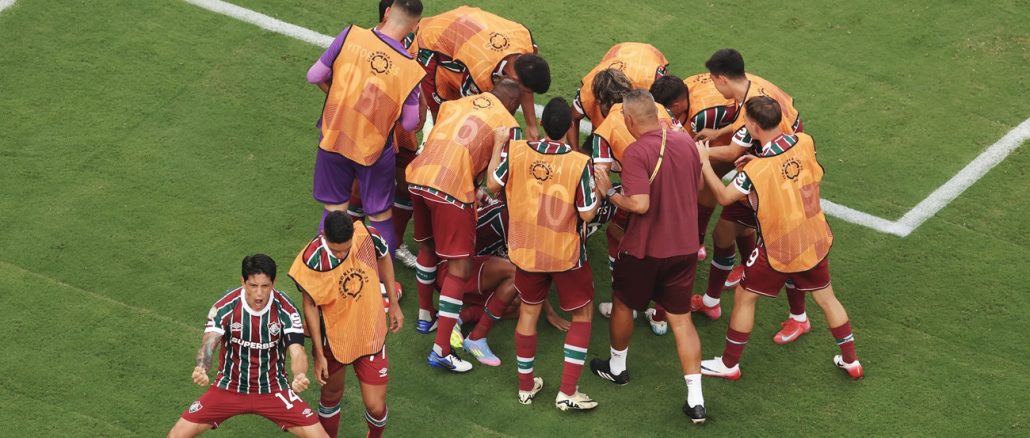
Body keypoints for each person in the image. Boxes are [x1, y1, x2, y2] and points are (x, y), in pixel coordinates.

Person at [696, 96, 864, 381]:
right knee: (827, 299)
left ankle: (729, 364)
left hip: (781, 247)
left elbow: (725, 197)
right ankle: (851, 362)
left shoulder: (757, 170)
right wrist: (758, 162)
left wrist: (704, 163)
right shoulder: (804, 141)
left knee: (744, 297)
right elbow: (790, 169)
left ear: (753, 125)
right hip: (815, 235)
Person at [589, 90, 708, 424]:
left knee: (624, 303)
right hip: (684, 248)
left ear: (628, 120)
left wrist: (610, 192)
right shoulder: (684, 142)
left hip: (644, 249)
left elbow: (639, 204)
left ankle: (617, 368)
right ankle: (696, 401)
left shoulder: (637, 151)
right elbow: (695, 186)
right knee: (681, 320)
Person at [486, 97, 599, 411]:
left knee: (528, 313)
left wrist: (498, 145)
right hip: (565, 254)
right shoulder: (579, 162)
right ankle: (567, 392)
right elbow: (588, 214)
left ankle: (525, 387)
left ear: (544, 124)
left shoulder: (518, 151)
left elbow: (492, 186)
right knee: (582, 315)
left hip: (526, 250)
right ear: (567, 129)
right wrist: (600, 189)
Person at [405, 79, 523, 373]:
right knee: (459, 267)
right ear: (514, 106)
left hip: (419, 177)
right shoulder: (507, 125)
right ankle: (441, 350)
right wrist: (497, 145)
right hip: (451, 191)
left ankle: (425, 315)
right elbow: (495, 183)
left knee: (428, 246)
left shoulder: (455, 104)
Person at [692, 50, 810, 342]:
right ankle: (711, 302)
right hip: (766, 170)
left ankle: (800, 318)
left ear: (720, 78)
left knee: (785, 253)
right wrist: (719, 130)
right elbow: (743, 127)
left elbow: (733, 151)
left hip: (776, 182)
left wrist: (699, 153)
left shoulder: (753, 113)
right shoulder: (752, 89)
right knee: (723, 233)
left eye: (712, 80)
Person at [306, 0, 425, 259]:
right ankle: (382, 282)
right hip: (373, 150)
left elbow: (314, 75)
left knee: (334, 210)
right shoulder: (411, 68)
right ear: (414, 26)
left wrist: (341, 95)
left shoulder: (350, 34)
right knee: (380, 216)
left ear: (388, 12)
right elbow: (409, 123)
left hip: (333, 137)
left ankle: (322, 269)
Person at [168, 255, 325, 438]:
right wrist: (202, 366)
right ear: (243, 282)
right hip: (229, 387)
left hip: (274, 389)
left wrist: (299, 375)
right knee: (177, 434)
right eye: (253, 286)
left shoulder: (286, 309)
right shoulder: (225, 306)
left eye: (265, 286)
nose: (259, 293)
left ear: (273, 283)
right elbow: (209, 343)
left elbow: (297, 351)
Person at [288, 212, 404, 438]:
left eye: (346, 249)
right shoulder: (311, 259)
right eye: (335, 250)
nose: (341, 255)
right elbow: (310, 306)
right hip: (332, 338)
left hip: (369, 329)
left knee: (376, 407)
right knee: (331, 396)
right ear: (324, 236)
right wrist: (319, 355)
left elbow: (384, 257)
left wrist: (394, 304)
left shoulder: (366, 237)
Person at [650, 74, 756, 320]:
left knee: (723, 221)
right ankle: (737, 268)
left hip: (741, 146)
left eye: (667, 111)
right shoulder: (686, 98)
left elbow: (714, 173)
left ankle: (717, 279)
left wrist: (702, 164)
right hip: (737, 134)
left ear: (677, 106)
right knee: (731, 219)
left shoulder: (703, 114)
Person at [588, 69, 677, 336]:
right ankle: (660, 316)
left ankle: (624, 304)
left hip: (639, 196)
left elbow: (600, 174)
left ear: (602, 100)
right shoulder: (658, 108)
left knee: (618, 235)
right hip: (675, 191)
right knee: (667, 252)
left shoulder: (605, 130)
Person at [415, 6, 550, 140]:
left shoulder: (525, 39)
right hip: (431, 40)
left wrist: (531, 126)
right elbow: (470, 111)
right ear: (515, 79)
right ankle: (436, 139)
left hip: (466, 21)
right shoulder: (480, 74)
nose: (528, 94)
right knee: (444, 111)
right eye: (527, 90)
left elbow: (526, 87)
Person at [567, 42, 669, 146]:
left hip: (646, 55)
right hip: (617, 52)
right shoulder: (587, 93)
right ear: (598, 101)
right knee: (599, 131)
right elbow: (572, 118)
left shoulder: (651, 82)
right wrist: (576, 153)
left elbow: (668, 105)